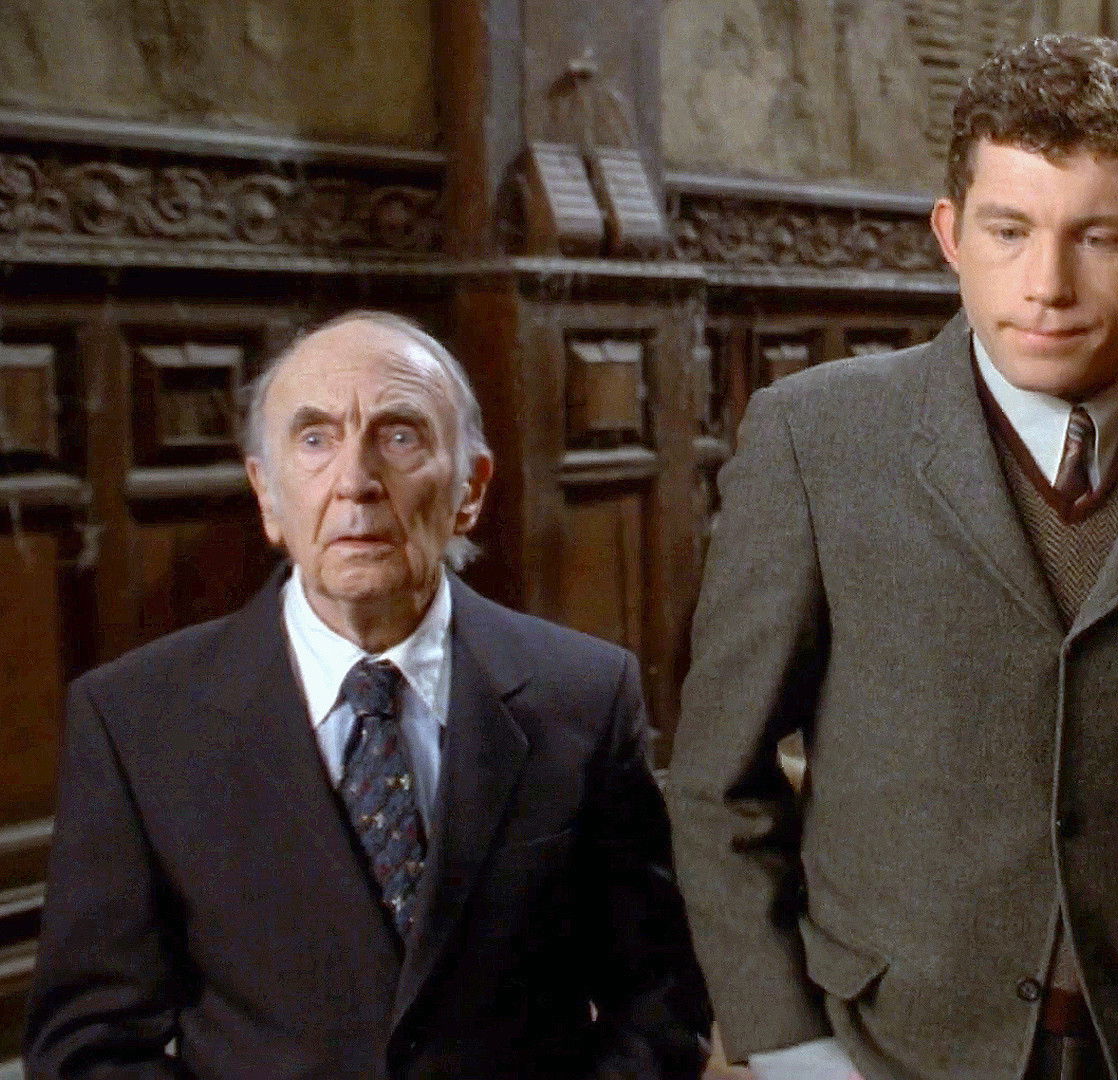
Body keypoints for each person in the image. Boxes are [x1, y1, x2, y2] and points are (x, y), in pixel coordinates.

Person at [668, 34, 1118, 1080]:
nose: (1046, 284)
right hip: (889, 1040)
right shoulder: (817, 439)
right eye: (1009, 231)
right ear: (951, 234)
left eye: (1098, 237)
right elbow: (715, 781)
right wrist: (788, 1045)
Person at [25, 311, 710, 1078]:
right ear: (267, 494)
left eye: (400, 436)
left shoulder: (584, 694)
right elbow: (88, 1047)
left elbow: (659, 1002)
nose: (355, 482)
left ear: (470, 489)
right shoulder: (136, 721)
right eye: (315, 439)